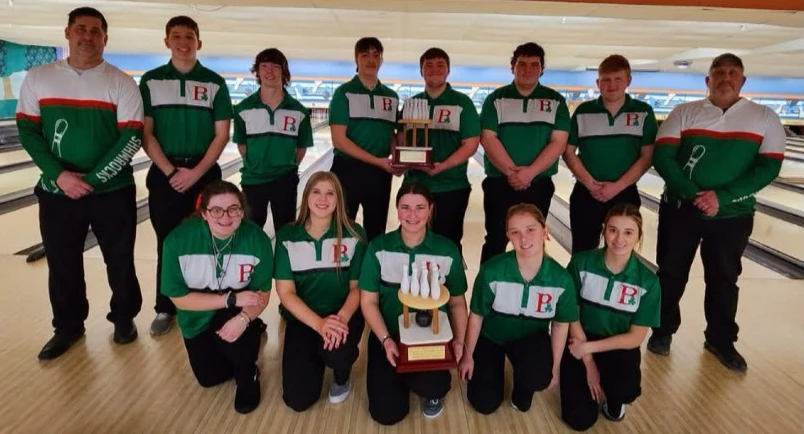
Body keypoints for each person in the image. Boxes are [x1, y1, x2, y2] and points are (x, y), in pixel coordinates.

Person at [16, 7, 144, 360]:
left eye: (95, 31)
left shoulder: (120, 81)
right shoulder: (40, 77)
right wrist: (59, 176)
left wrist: (90, 180)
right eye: (81, 29)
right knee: (62, 262)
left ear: (105, 37)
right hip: (57, 192)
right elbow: (28, 130)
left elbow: (131, 137)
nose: (87, 36)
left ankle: (123, 319)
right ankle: (68, 327)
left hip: (112, 191)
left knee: (119, 260)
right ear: (68, 32)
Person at [648, 53, 785, 372]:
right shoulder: (684, 112)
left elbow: (768, 168)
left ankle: (721, 339)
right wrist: (693, 194)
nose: (726, 77)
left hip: (732, 214)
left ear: (742, 80)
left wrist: (721, 198)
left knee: (724, 279)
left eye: (732, 72)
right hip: (681, 209)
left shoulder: (764, 117)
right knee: (670, 273)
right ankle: (662, 332)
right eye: (719, 72)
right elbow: (664, 158)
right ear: (707, 80)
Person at [139, 15, 233, 336]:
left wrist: (195, 173)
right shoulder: (151, 81)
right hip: (165, 174)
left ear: (199, 42)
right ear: (166, 41)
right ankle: (165, 308)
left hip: (204, 174)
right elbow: (146, 133)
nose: (183, 42)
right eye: (176, 36)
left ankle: (208, 301)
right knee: (167, 243)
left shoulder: (214, 82)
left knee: (210, 240)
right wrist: (170, 171)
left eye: (189, 36)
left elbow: (221, 136)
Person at [359, 182, 468, 424]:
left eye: (420, 207)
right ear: (396, 210)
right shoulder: (379, 247)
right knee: (386, 414)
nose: (412, 215)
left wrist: (459, 341)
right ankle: (402, 375)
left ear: (430, 209)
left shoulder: (447, 250)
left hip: (431, 336)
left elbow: (458, 304)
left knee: (431, 385)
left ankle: (428, 387)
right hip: (389, 334)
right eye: (405, 207)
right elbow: (367, 301)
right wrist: (386, 340)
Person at [161, 181, 272, 414]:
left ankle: (248, 372)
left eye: (234, 209)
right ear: (204, 213)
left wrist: (243, 319)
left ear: (242, 211)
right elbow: (178, 297)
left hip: (237, 309)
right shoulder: (178, 241)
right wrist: (230, 299)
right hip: (199, 313)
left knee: (240, 344)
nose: (226, 217)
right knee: (209, 378)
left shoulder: (257, 239)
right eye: (216, 210)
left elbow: (261, 294)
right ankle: (244, 338)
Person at [460, 204, 576, 414]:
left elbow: (560, 324)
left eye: (531, 229)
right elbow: (476, 316)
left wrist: (555, 367)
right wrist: (467, 356)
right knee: (484, 404)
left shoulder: (561, 279)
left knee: (539, 376)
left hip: (531, 341)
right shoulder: (491, 271)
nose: (524, 238)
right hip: (492, 338)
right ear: (509, 237)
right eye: (515, 232)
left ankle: (522, 388)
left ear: (545, 232)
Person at [560, 204, 660, 430]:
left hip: (617, 344)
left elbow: (635, 338)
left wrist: (590, 350)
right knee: (580, 420)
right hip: (580, 338)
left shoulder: (648, 282)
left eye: (628, 232)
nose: (619, 239)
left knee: (623, 388)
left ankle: (614, 400)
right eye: (613, 230)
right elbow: (570, 316)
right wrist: (588, 362)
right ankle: (584, 382)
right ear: (604, 231)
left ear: (638, 236)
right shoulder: (581, 263)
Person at [274, 171, 367, 411]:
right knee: (298, 399)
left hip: (342, 314)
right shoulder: (287, 236)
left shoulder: (355, 234)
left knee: (337, 353)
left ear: (339, 199)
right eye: (316, 191)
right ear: (306, 197)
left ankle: (341, 375)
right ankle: (315, 353)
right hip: (305, 318)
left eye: (330, 193)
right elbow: (286, 294)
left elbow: (357, 289)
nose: (322, 198)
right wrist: (319, 325)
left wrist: (339, 320)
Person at [479, 42, 570, 264]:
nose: (527, 69)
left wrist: (529, 173)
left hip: (538, 183)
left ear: (542, 69)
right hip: (499, 182)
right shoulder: (496, 99)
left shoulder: (556, 101)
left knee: (533, 241)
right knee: (495, 240)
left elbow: (558, 142)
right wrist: (513, 172)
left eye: (534, 64)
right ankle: (487, 295)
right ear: (513, 67)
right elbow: (489, 139)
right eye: (522, 64)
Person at [563, 55, 657, 253]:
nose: (611, 84)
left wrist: (618, 186)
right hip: (586, 192)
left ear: (628, 81)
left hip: (625, 192)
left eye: (618, 79)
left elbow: (647, 156)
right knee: (582, 251)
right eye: (606, 79)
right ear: (598, 82)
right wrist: (591, 184)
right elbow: (568, 152)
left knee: (620, 250)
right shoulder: (583, 111)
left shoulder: (644, 112)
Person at [399, 47, 480, 255]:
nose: (434, 70)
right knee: (411, 241)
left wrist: (443, 166)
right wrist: (399, 162)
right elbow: (400, 141)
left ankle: (451, 288)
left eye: (440, 65)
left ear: (448, 70)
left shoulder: (462, 103)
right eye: (428, 65)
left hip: (451, 187)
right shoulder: (411, 103)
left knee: (449, 245)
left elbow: (471, 143)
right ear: (421, 71)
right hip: (414, 186)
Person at [329, 37, 400, 242]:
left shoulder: (391, 97)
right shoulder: (344, 93)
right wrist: (378, 161)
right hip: (347, 169)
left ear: (381, 60)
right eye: (365, 55)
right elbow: (339, 140)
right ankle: (342, 272)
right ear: (356, 59)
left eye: (376, 55)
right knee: (341, 228)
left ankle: (372, 273)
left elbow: (392, 135)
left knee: (376, 230)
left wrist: (397, 158)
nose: (371, 59)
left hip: (379, 173)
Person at [234, 48, 313, 233]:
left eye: (275, 67)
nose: (270, 71)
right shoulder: (243, 109)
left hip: (285, 180)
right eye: (264, 66)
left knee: (286, 232)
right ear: (257, 71)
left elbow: (301, 148)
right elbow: (242, 145)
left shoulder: (299, 111)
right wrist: (257, 163)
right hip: (253, 180)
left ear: (284, 72)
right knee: (250, 231)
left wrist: (285, 165)